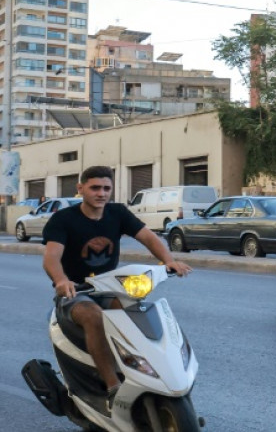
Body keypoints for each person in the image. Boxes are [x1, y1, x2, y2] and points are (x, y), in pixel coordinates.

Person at [42, 166, 192, 409]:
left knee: (135, 313)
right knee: (93, 317)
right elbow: (51, 258)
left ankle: (148, 373)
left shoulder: (117, 213)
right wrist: (61, 280)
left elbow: (149, 237)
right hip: (76, 292)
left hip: (110, 287)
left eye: (106, 188)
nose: (101, 193)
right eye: (95, 188)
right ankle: (112, 387)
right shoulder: (64, 219)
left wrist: (169, 261)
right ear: (80, 189)